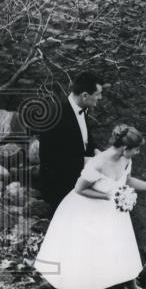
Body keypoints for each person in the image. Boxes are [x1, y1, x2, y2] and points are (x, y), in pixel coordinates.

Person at [34, 124, 146, 289]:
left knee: (122, 246)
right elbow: (80, 189)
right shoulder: (98, 163)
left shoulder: (125, 159)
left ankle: (130, 284)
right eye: (136, 149)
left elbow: (127, 180)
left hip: (113, 210)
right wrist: (108, 197)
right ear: (124, 148)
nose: (138, 152)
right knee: (92, 253)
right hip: (88, 209)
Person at [38, 71, 105, 213]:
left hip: (77, 174)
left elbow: (85, 138)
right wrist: (86, 162)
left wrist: (95, 150)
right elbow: (50, 160)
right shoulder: (55, 117)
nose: (100, 98)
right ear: (85, 95)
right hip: (60, 185)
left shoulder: (81, 107)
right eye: (98, 94)